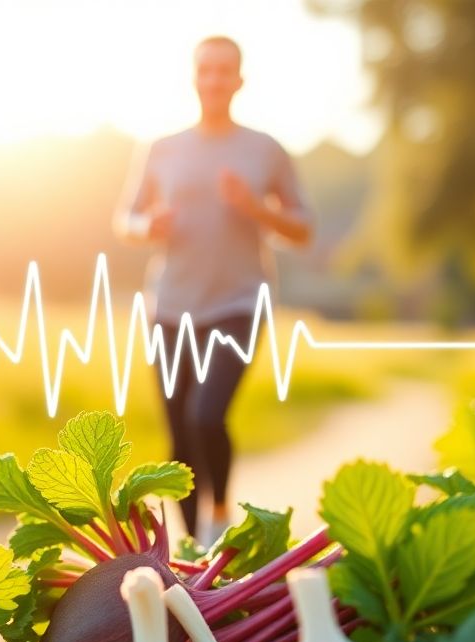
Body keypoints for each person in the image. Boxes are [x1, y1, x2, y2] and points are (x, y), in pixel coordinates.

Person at [114, 35, 312, 544]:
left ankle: (219, 512)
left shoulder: (265, 150)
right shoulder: (162, 149)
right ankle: (191, 548)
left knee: (207, 415)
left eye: (225, 70)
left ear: (239, 80)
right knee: (179, 432)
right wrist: (147, 226)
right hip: (172, 306)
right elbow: (126, 219)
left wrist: (257, 207)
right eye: (206, 70)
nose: (215, 79)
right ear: (194, 77)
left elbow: (303, 228)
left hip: (239, 303)